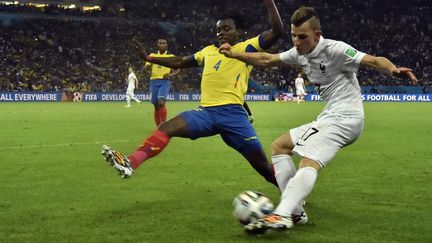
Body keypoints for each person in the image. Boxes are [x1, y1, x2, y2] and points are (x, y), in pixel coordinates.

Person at [219, 6, 418, 233]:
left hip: (347, 118)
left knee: (308, 160)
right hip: (330, 116)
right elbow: (267, 59)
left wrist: (393, 70)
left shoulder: (336, 50)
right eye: (294, 36)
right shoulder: (299, 53)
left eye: (302, 37)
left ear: (317, 35)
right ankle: (295, 212)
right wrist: (235, 54)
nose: (296, 42)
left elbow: (374, 61)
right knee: (280, 146)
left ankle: (282, 214)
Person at [101, 1, 284, 189]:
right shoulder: (208, 51)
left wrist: (269, 3)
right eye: (219, 30)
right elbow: (180, 61)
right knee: (166, 128)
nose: (221, 33)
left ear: (238, 32)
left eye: (226, 29)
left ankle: (293, 199)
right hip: (206, 114)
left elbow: (277, 31)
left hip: (234, 115)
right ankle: (130, 162)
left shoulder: (248, 47)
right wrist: (150, 58)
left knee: (262, 166)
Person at [143, 38, 180, 126]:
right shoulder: (152, 55)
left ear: (167, 45)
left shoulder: (171, 56)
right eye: (160, 43)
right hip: (153, 82)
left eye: (164, 43)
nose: (162, 45)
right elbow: (146, 67)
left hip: (164, 82)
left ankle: (163, 125)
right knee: (156, 106)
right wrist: (145, 68)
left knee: (161, 103)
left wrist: (170, 75)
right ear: (157, 45)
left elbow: (178, 68)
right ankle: (158, 126)